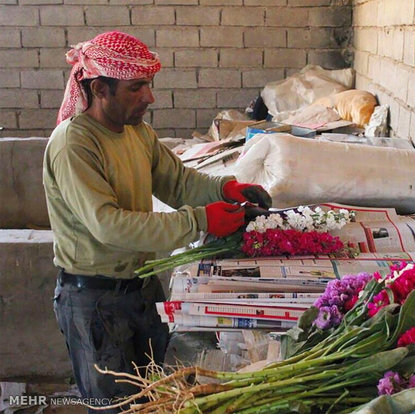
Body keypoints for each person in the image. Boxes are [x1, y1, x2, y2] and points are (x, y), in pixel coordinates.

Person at [43, 31, 271, 412]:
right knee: (116, 404)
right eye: (137, 88)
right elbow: (109, 224)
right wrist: (200, 220)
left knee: (155, 396)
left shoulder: (137, 132)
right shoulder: (74, 144)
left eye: (149, 85)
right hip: (95, 300)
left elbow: (178, 182)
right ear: (100, 88)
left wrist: (227, 190)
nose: (149, 97)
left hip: (141, 287)